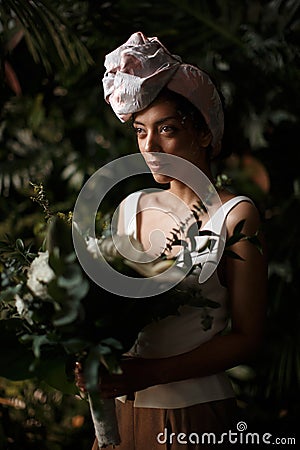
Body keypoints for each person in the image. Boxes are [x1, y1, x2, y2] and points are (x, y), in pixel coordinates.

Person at [76, 32, 267, 449]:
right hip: (121, 415)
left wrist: (151, 373)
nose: (150, 146)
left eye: (168, 129)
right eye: (141, 132)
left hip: (192, 414)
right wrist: (92, 357)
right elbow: (107, 311)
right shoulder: (132, 206)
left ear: (203, 133)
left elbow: (249, 337)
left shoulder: (234, 215)